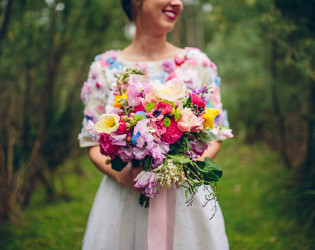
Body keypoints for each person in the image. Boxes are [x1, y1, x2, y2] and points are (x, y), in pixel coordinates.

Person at [78, 0, 233, 249]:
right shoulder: (105, 68)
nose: (178, 3)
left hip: (184, 197)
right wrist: (123, 175)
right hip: (124, 197)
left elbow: (213, 135)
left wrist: (179, 169)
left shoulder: (197, 63)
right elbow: (93, 143)